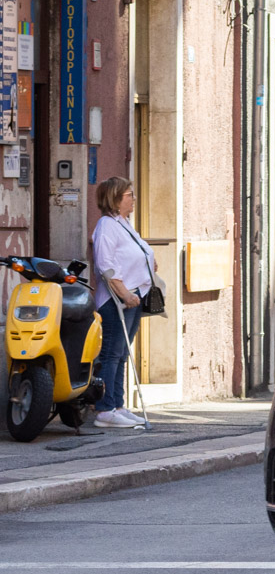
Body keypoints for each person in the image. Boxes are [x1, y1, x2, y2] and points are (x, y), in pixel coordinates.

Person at [90, 177, 155, 428]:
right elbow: (105, 264)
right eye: (129, 195)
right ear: (115, 200)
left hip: (134, 295)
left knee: (121, 354)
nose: (134, 199)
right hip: (117, 299)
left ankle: (118, 404)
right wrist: (125, 294)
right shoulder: (107, 225)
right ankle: (105, 410)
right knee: (111, 354)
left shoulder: (123, 223)